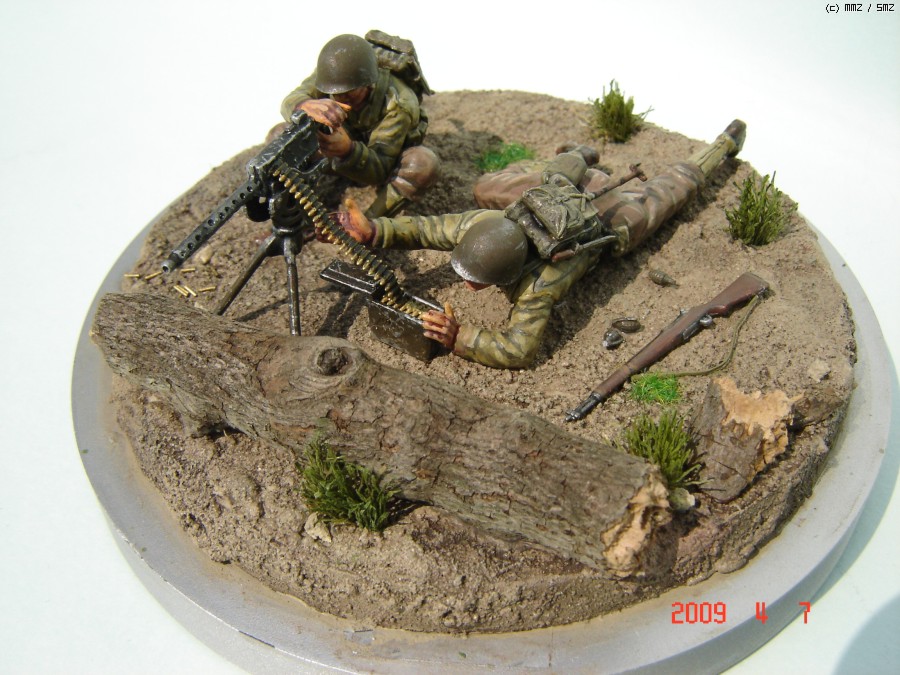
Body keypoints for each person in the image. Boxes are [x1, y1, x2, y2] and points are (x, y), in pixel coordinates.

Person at [333, 120, 747, 368]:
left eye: (477, 279)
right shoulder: (482, 224)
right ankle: (580, 154)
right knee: (488, 187)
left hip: (611, 214)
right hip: (564, 183)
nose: (467, 284)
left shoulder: (538, 284)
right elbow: (426, 230)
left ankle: (720, 147)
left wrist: (460, 337)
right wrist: (375, 231)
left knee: (668, 194)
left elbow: (519, 350)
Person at [276, 33, 440, 218]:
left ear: (368, 84)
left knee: (422, 164)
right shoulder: (332, 76)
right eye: (336, 92)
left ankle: (368, 224)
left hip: (382, 156)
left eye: (349, 92)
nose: (341, 97)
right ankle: (292, 213)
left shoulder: (398, 103)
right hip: (343, 145)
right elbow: (291, 100)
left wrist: (348, 151)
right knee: (284, 138)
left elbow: (380, 169)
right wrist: (303, 105)